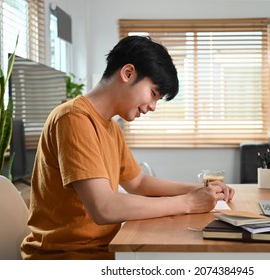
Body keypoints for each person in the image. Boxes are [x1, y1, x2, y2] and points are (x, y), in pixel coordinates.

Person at [20, 36, 235, 260]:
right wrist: (188, 203)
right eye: (153, 93)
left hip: (105, 249)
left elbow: (138, 183)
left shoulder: (110, 126)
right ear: (128, 73)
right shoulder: (73, 118)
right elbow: (104, 208)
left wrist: (196, 191)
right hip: (67, 258)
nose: (152, 107)